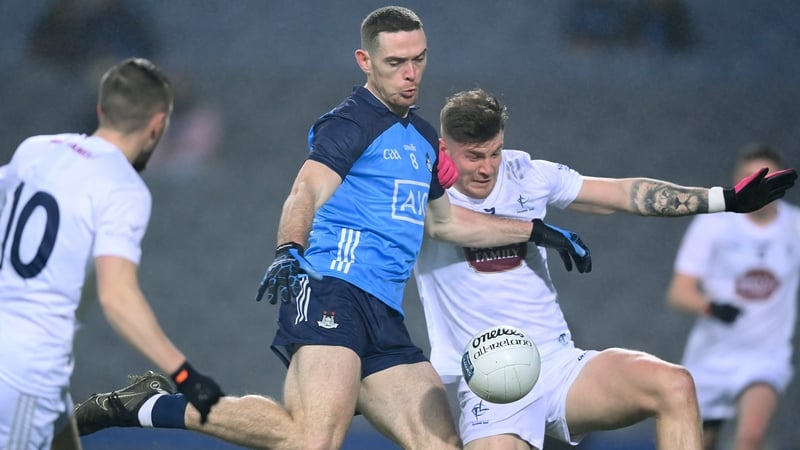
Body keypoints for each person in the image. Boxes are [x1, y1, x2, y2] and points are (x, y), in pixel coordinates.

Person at [71, 7, 591, 450]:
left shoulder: (424, 137)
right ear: (365, 61)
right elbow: (306, 190)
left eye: (418, 59)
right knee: (313, 440)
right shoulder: (352, 120)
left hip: (384, 316)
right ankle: (153, 406)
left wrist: (531, 230)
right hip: (331, 290)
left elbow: (447, 222)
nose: (411, 73)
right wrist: (288, 248)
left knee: (440, 443)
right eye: (395, 62)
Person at [412, 89, 798, 450]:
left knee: (675, 384)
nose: (487, 168)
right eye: (474, 156)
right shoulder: (420, 191)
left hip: (558, 363)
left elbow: (621, 193)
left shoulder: (527, 174)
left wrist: (723, 199)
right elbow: (445, 225)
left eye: (494, 153)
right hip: (492, 380)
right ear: (445, 148)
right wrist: (536, 231)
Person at [0, 58, 223, 450]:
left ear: (101, 109)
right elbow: (117, 297)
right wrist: (185, 375)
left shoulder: (35, 149)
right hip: (24, 366)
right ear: (159, 125)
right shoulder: (123, 187)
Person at [666, 143, 800, 450]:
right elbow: (679, 292)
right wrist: (712, 307)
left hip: (766, 355)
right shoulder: (714, 224)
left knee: (751, 436)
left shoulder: (794, 226)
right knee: (696, 442)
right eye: (752, 179)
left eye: (766, 178)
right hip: (712, 356)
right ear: (738, 181)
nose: (759, 187)